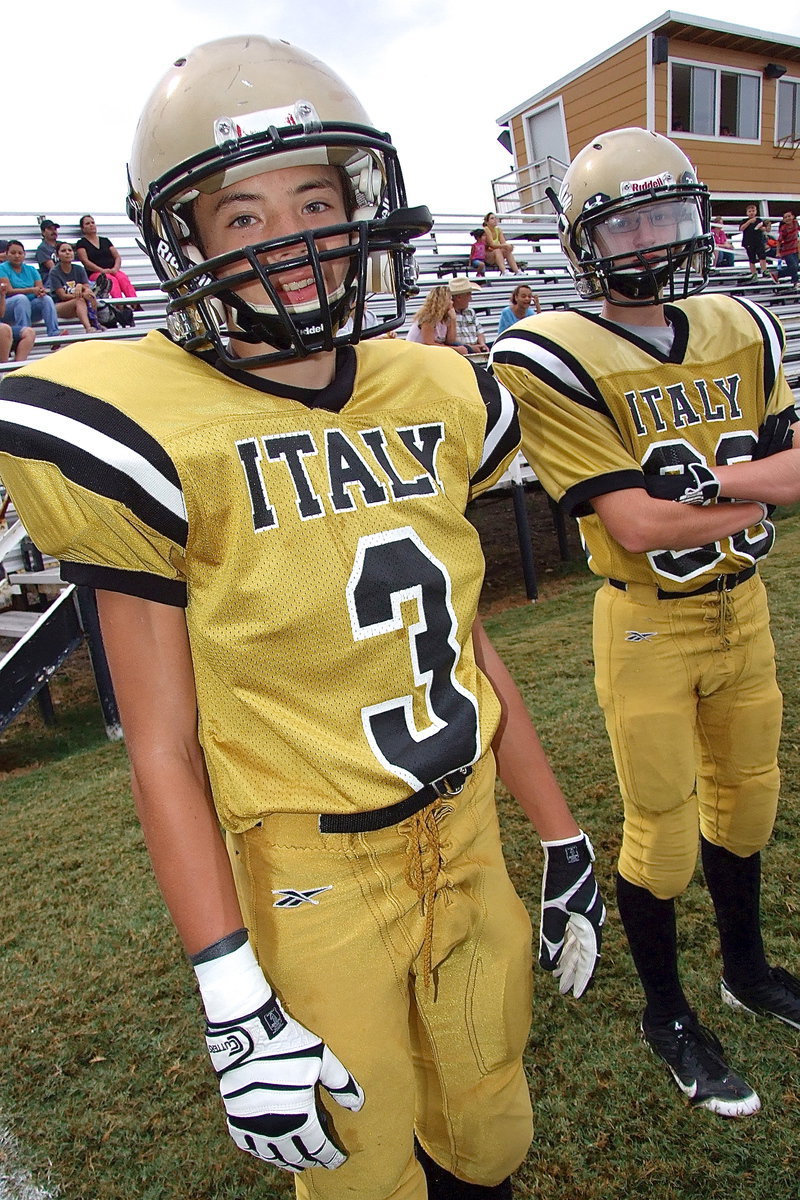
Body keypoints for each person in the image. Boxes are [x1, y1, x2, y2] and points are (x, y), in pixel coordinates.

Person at [0, 35, 605, 1200]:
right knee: (359, 1175)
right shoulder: (148, 421)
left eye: (316, 202)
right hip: (311, 873)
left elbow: (467, 643)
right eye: (244, 216)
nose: (292, 238)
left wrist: (560, 833)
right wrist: (231, 993)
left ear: (360, 206)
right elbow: (163, 748)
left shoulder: (434, 387)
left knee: (487, 1129)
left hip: (466, 828)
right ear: (184, 241)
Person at [491, 127, 800, 1121]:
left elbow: (789, 471)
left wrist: (709, 490)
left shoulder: (741, 323)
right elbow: (633, 523)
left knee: (748, 801)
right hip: (647, 625)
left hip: (743, 607)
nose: (654, 240)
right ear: (586, 244)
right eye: (628, 224)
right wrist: (752, 495)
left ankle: (744, 971)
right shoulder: (550, 352)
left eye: (668, 215)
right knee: (661, 828)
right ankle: (665, 1012)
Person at [0, 240, 60, 338]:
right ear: (6, 254)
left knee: (46, 299)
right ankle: (25, 334)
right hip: (7, 308)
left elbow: (39, 288)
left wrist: (41, 292)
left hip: (29, 307)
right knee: (21, 299)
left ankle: (54, 334)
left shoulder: (31, 269)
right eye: (13, 253)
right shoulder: (2, 268)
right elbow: (9, 291)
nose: (17, 256)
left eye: (20, 253)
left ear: (24, 255)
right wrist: (31, 290)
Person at [74, 214, 138, 303]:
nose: (91, 225)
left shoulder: (105, 240)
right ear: (83, 228)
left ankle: (135, 303)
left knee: (123, 278)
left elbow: (117, 257)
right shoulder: (81, 243)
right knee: (111, 281)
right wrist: (102, 270)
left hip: (112, 270)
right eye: (87, 224)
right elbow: (85, 262)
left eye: (92, 222)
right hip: (95, 273)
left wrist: (115, 268)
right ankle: (119, 305)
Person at [47, 242, 101, 333]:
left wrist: (80, 286)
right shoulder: (54, 272)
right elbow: (63, 296)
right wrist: (81, 295)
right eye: (63, 251)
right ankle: (89, 328)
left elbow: (87, 288)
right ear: (57, 255)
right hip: (60, 306)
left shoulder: (79, 269)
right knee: (80, 300)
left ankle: (96, 323)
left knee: (90, 295)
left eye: (70, 250)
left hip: (79, 305)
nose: (67, 253)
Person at [405, 283, 467, 352]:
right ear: (442, 301)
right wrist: (455, 350)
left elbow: (451, 341)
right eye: (450, 299)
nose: (452, 302)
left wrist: (453, 319)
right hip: (417, 351)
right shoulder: (428, 317)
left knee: (465, 348)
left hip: (431, 352)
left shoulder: (445, 318)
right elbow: (429, 344)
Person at [449, 275, 489, 353]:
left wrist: (482, 345)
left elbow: (480, 332)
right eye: (468, 294)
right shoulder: (448, 314)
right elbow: (451, 340)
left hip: (475, 347)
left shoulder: (471, 312)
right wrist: (471, 348)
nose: (470, 298)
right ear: (459, 297)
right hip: (460, 351)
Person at [739, 203, 769, 279]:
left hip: (759, 241)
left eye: (753, 211)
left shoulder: (759, 220)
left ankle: (764, 270)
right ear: (747, 213)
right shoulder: (744, 221)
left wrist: (761, 228)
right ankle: (754, 273)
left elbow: (765, 229)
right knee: (752, 258)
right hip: (749, 242)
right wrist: (749, 222)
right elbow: (741, 228)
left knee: (762, 256)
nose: (751, 213)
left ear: (756, 211)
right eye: (749, 211)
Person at [776, 210, 799, 289]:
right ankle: (795, 282)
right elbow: (779, 241)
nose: (787, 218)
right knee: (793, 266)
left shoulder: (796, 223)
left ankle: (777, 274)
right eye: (785, 217)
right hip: (787, 251)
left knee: (795, 267)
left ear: (793, 217)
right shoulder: (784, 228)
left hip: (795, 249)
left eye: (789, 216)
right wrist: (778, 252)